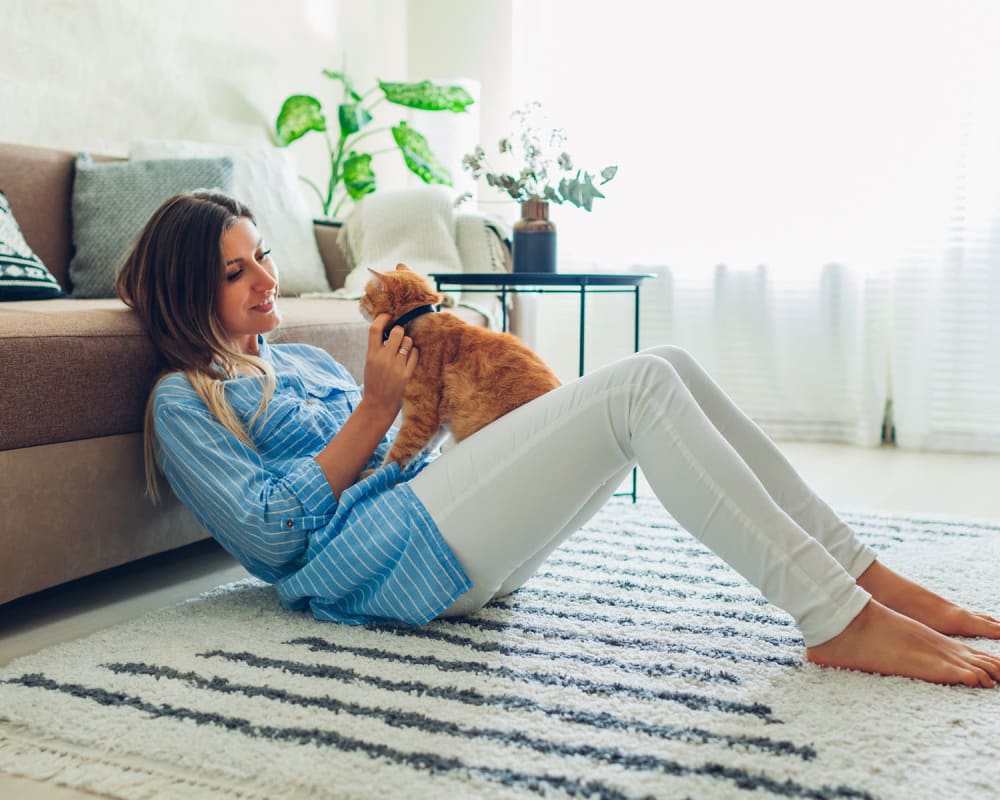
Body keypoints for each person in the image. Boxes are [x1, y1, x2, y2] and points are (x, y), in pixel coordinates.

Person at [117, 190, 1000, 689]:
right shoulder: (181, 402)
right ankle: (837, 618)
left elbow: (401, 445)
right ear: (185, 290)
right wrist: (376, 412)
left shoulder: (300, 357)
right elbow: (272, 538)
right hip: (376, 568)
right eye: (236, 271)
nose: (267, 279)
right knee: (640, 386)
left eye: (263, 255)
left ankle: (861, 575)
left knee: (670, 363)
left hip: (436, 523)